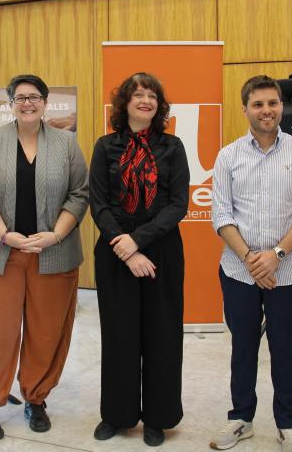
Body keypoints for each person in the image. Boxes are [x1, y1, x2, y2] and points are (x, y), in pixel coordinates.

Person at [0, 74, 89, 440]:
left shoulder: (67, 143)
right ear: (10, 104)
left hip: (54, 254)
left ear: (45, 103)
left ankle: (36, 397)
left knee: (46, 332)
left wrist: (55, 234)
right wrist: (5, 234)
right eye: (20, 97)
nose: (27, 103)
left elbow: (79, 194)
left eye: (34, 97)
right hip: (0, 253)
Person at [209, 75, 292, 452]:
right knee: (243, 347)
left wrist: (276, 256)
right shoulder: (228, 156)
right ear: (245, 110)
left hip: (286, 270)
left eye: (272, 103)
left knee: (285, 348)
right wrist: (251, 260)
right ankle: (241, 418)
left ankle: (288, 424)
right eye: (258, 104)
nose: (267, 110)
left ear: (281, 106)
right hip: (238, 269)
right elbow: (221, 215)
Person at [89, 72, 189, 447]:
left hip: (161, 250)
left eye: (152, 95)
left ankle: (157, 418)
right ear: (125, 104)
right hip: (115, 253)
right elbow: (98, 203)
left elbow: (177, 204)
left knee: (162, 337)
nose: (145, 100)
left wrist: (138, 241)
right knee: (119, 337)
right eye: (137, 95)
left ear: (159, 105)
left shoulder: (173, 147)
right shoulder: (105, 146)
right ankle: (117, 414)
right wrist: (124, 245)